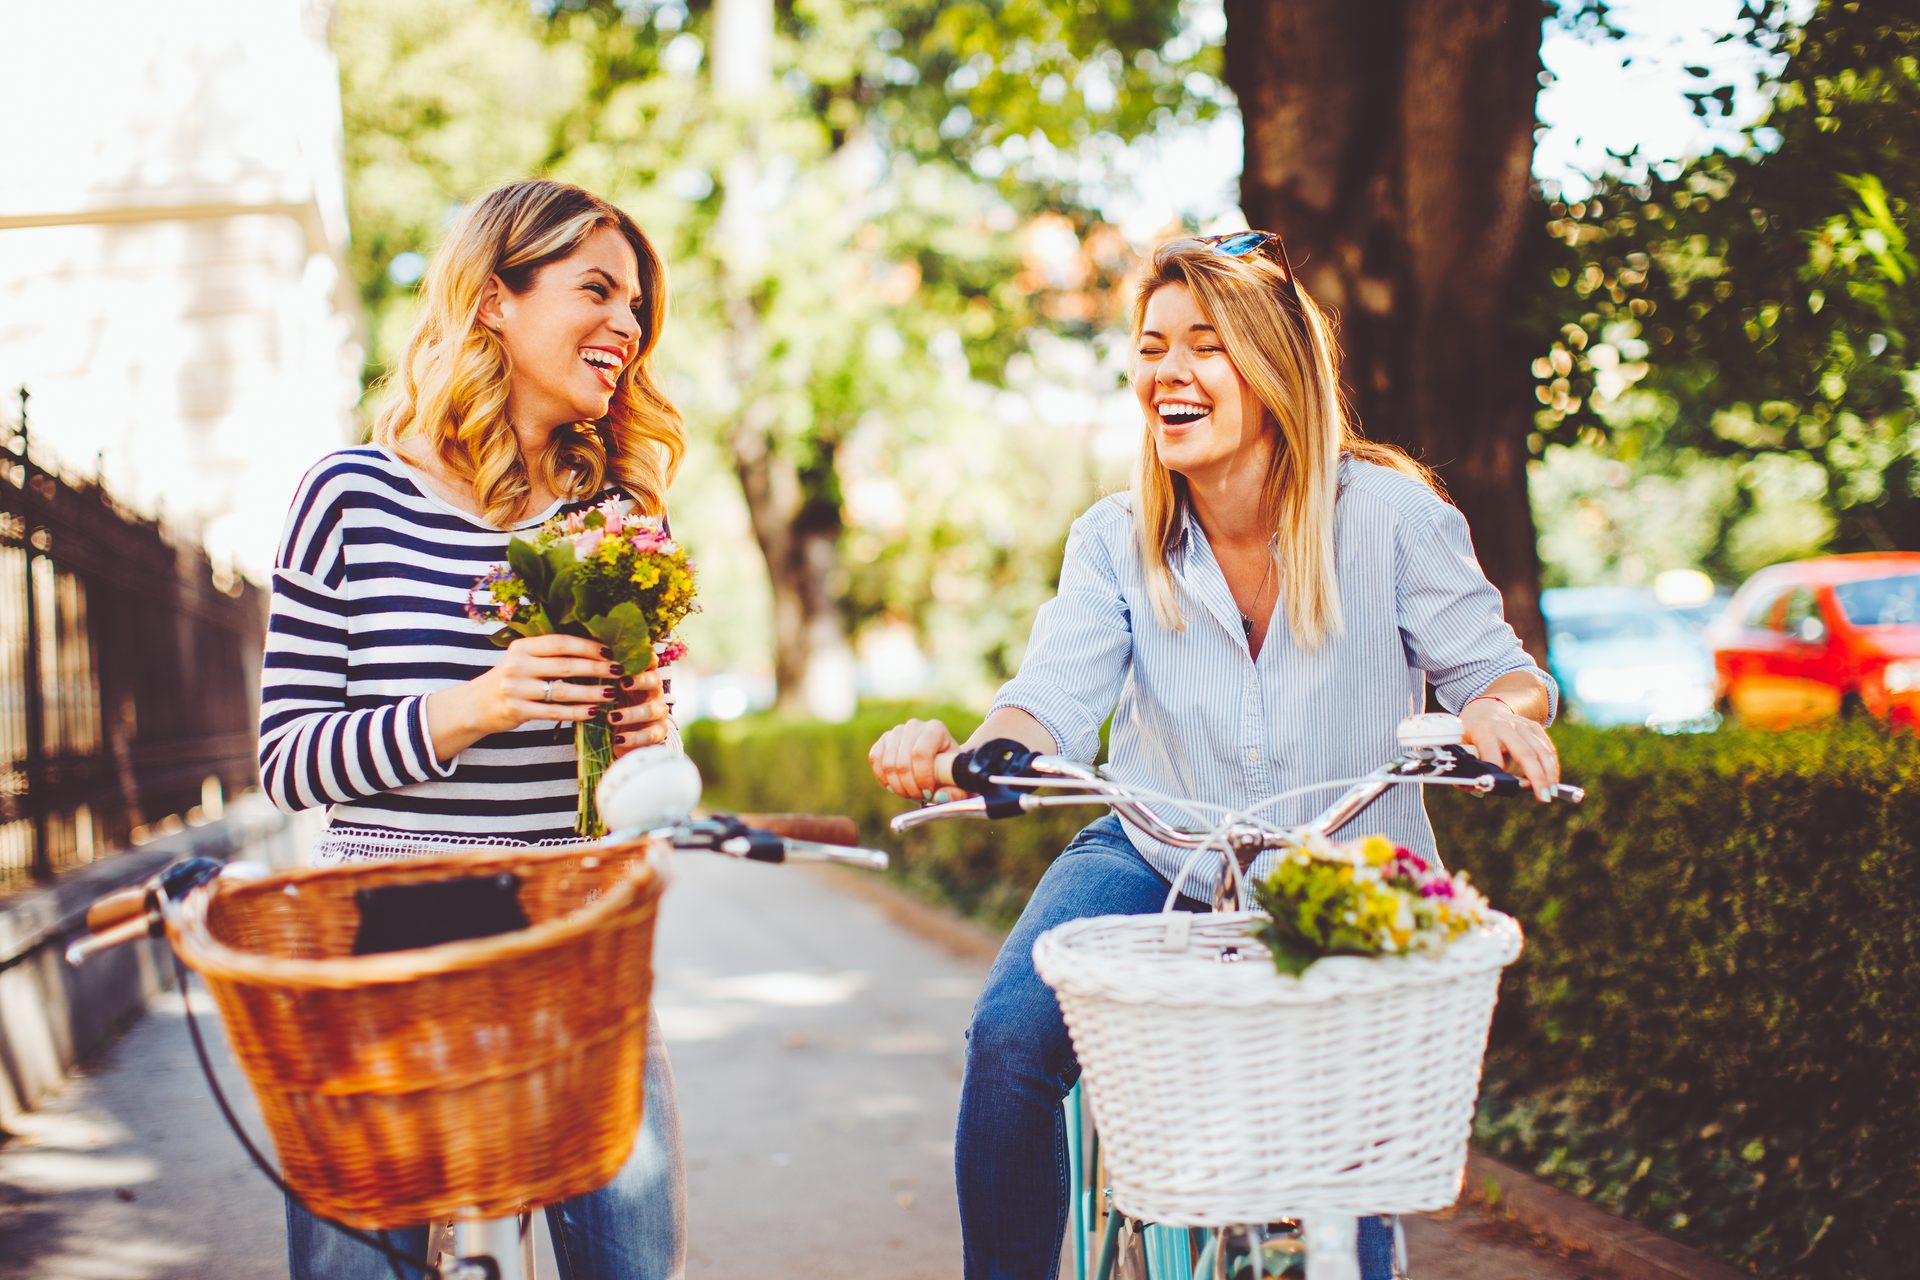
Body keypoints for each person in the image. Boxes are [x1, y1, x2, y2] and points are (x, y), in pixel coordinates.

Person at [868, 231, 1561, 1280]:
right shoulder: (1116, 537)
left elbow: (1500, 674)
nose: (1169, 372)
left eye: (1206, 345)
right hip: (1157, 846)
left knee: (1344, 1149)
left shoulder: (1391, 517)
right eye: (1152, 347)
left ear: (1275, 368)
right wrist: (977, 755)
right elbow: (1050, 695)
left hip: (1344, 866)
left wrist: (1504, 717)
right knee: (1009, 1039)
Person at [259, 179, 687, 1279]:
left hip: (573, 937)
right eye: (597, 289)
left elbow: (637, 775)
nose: (626, 328)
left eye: (636, 305)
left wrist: (644, 734)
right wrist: (475, 705)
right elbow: (287, 757)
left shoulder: (619, 517)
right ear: (496, 298)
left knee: (631, 1262)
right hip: (392, 940)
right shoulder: (350, 495)